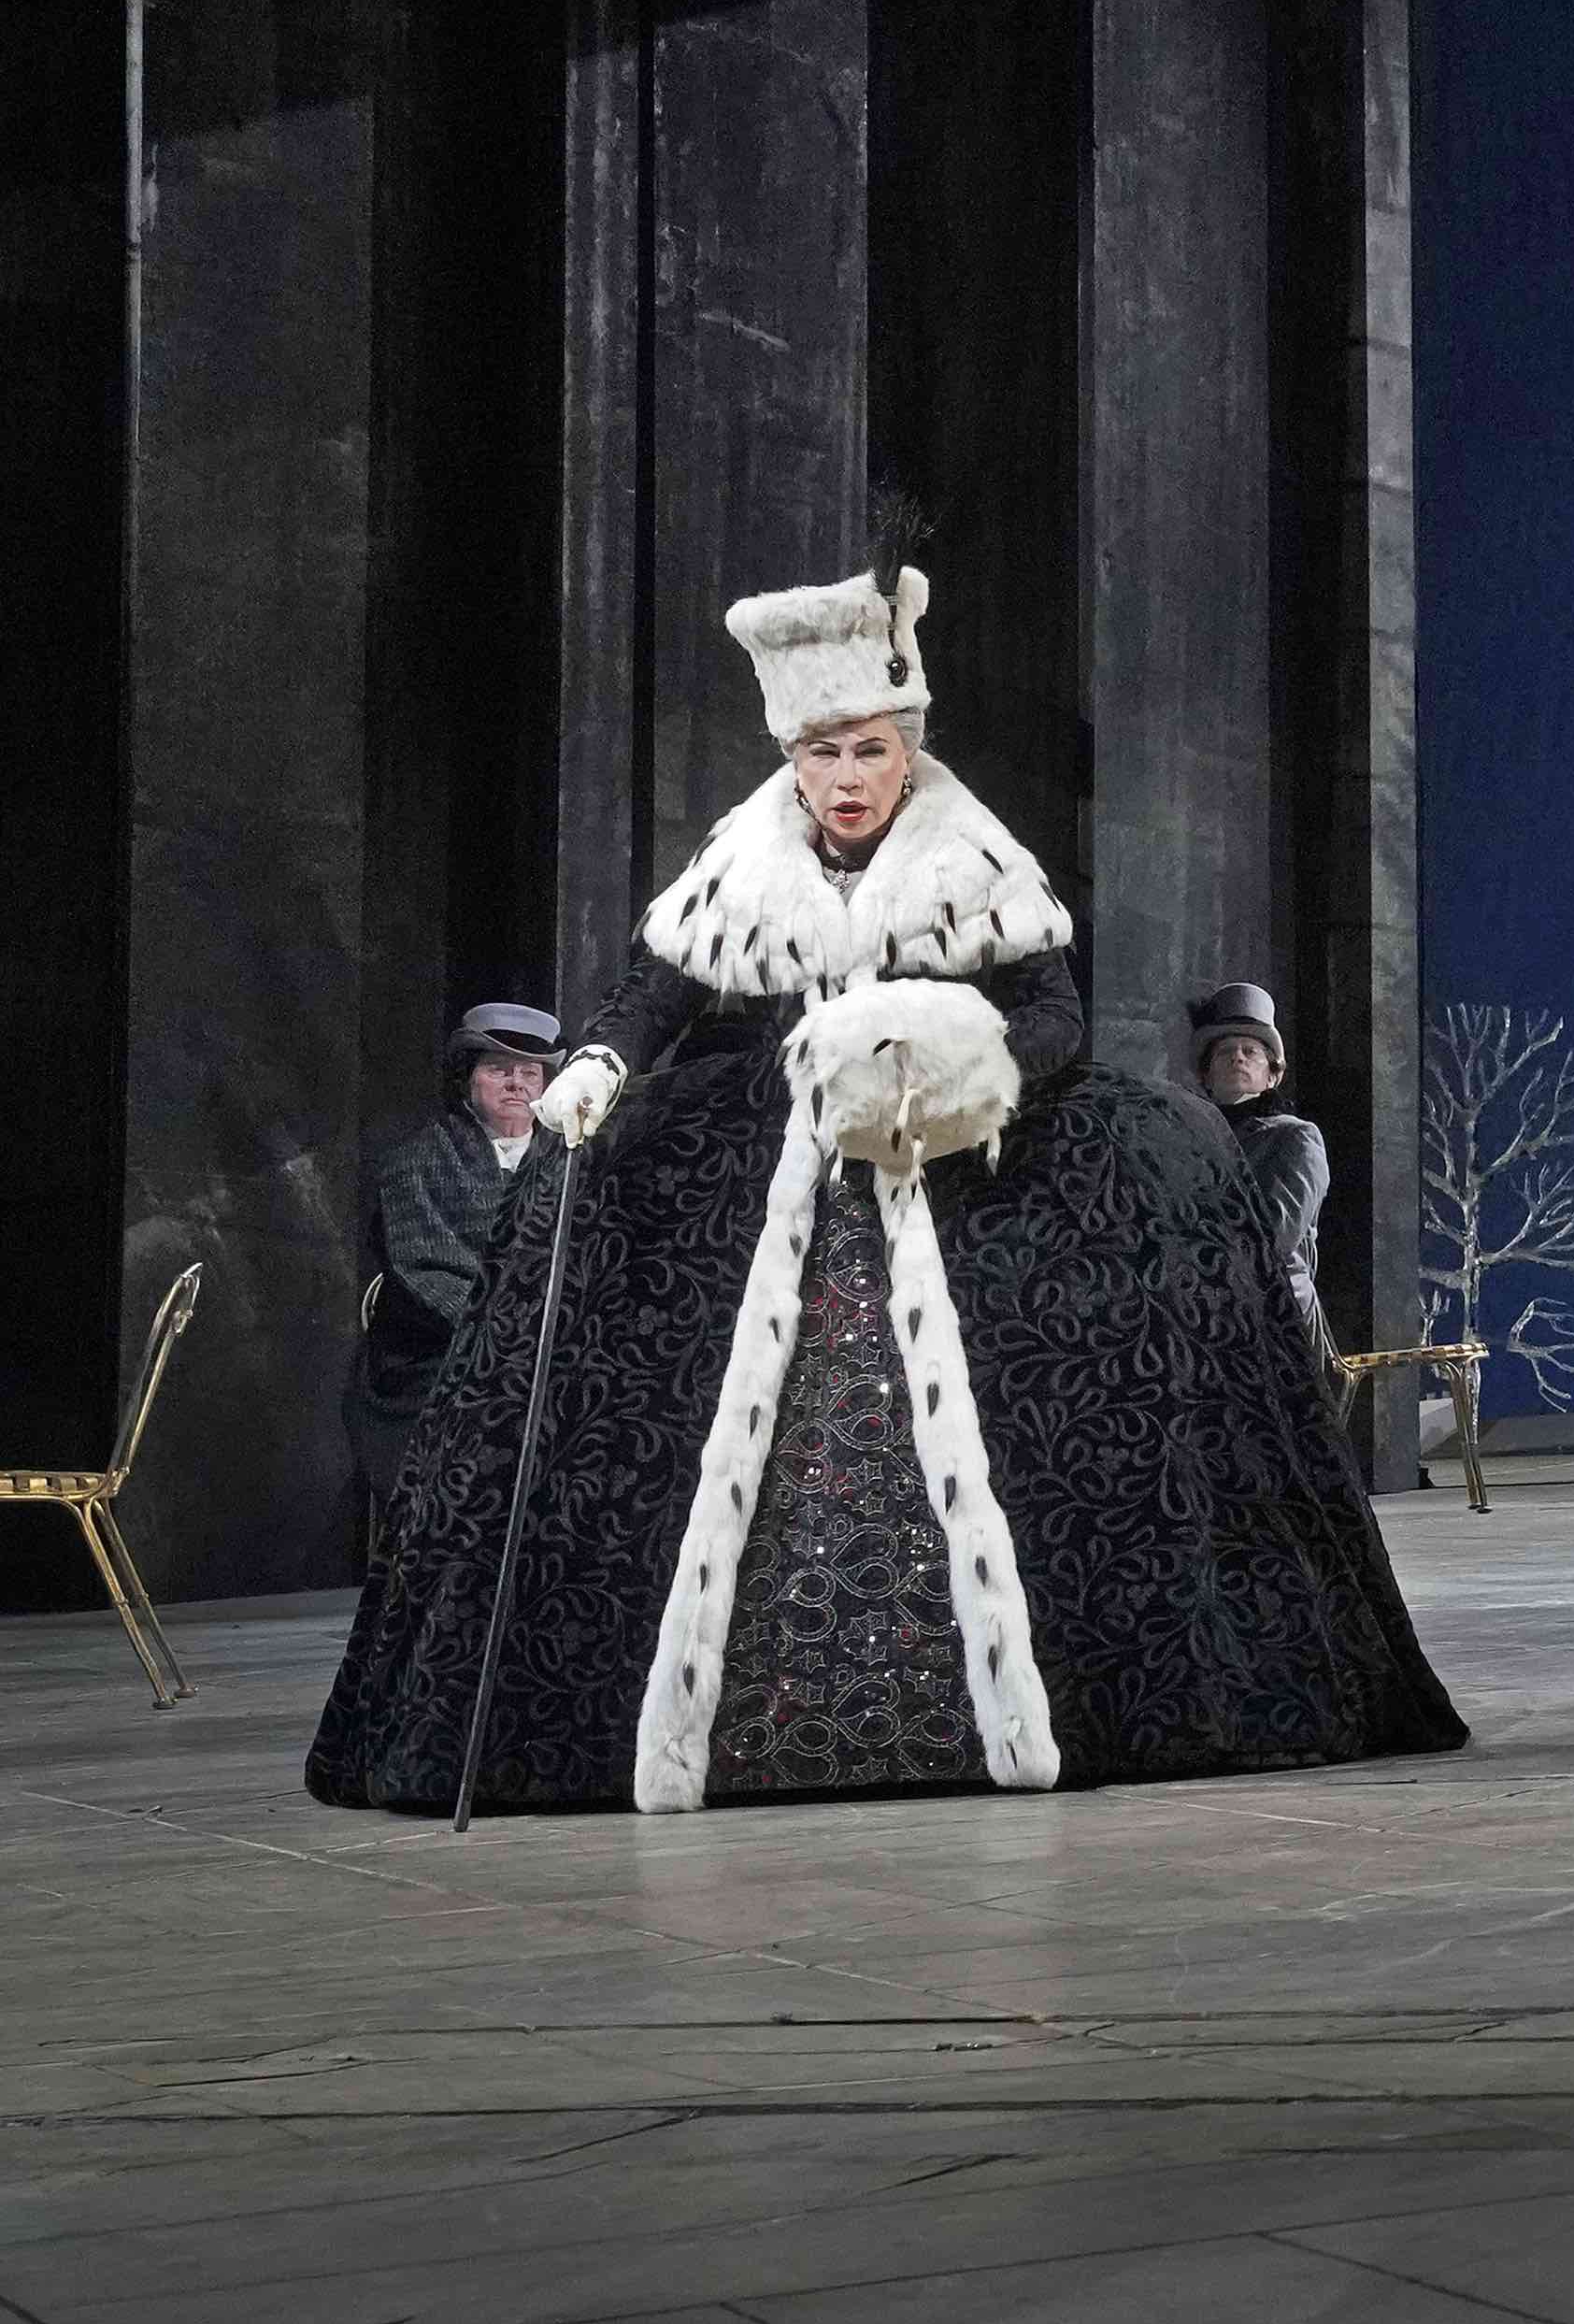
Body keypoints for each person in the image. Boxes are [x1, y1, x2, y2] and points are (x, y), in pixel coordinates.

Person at [309, 538, 1464, 1813]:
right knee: (634, 1285)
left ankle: (1021, 1688)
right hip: (776, 1158)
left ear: (905, 743)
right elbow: (654, 993)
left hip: (944, 1147)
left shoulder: (970, 854)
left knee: (1150, 1196)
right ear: (790, 757)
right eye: (823, 753)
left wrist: (962, 1060)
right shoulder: (741, 863)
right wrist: (595, 1067)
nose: (847, 777)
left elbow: (1051, 1015)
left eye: (868, 748)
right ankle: (747, 1710)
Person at [351, 1003, 560, 1506]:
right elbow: (426, 1273)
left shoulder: (573, 1164)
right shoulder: (418, 1161)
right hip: (439, 1363)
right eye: (498, 1069)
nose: (516, 1084)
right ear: (469, 1080)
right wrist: (508, 1338)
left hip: (550, 1358)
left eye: (529, 1072)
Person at [1191, 981, 1333, 1366]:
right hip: (1199, 1311)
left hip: (1274, 1316)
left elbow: (1274, 1234)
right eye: (1225, 1052)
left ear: (1272, 1075)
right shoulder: (1186, 1139)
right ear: (1205, 1075)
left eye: (1251, 1051)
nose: (1238, 1058)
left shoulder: (1296, 1137)